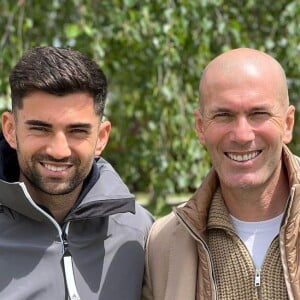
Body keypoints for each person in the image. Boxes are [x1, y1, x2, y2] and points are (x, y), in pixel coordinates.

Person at [142, 48, 300, 300]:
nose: (242, 135)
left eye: (258, 114)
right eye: (223, 115)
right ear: (201, 127)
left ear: (288, 123)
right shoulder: (163, 245)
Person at [0, 46, 153, 300]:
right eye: (40, 129)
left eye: (77, 131)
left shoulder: (142, 233)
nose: (59, 151)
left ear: (101, 137)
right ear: (10, 129)